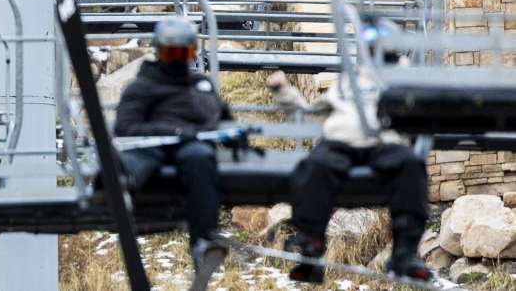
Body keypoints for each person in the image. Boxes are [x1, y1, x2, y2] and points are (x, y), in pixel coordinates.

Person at [268, 18, 431, 284]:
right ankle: (312, 247)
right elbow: (314, 112)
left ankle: (404, 251)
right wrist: (284, 92)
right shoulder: (350, 80)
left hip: (383, 141)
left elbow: (420, 107)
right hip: (340, 141)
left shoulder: (402, 76)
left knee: (411, 166)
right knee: (314, 166)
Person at [115, 16, 231, 274]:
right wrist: (173, 131)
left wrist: (222, 131)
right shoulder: (143, 86)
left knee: (199, 157)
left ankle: (202, 240)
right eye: (171, 52)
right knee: (137, 159)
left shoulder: (199, 85)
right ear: (159, 52)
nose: (178, 59)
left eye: (184, 52)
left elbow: (216, 117)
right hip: (152, 146)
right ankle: (118, 188)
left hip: (191, 147)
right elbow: (125, 128)